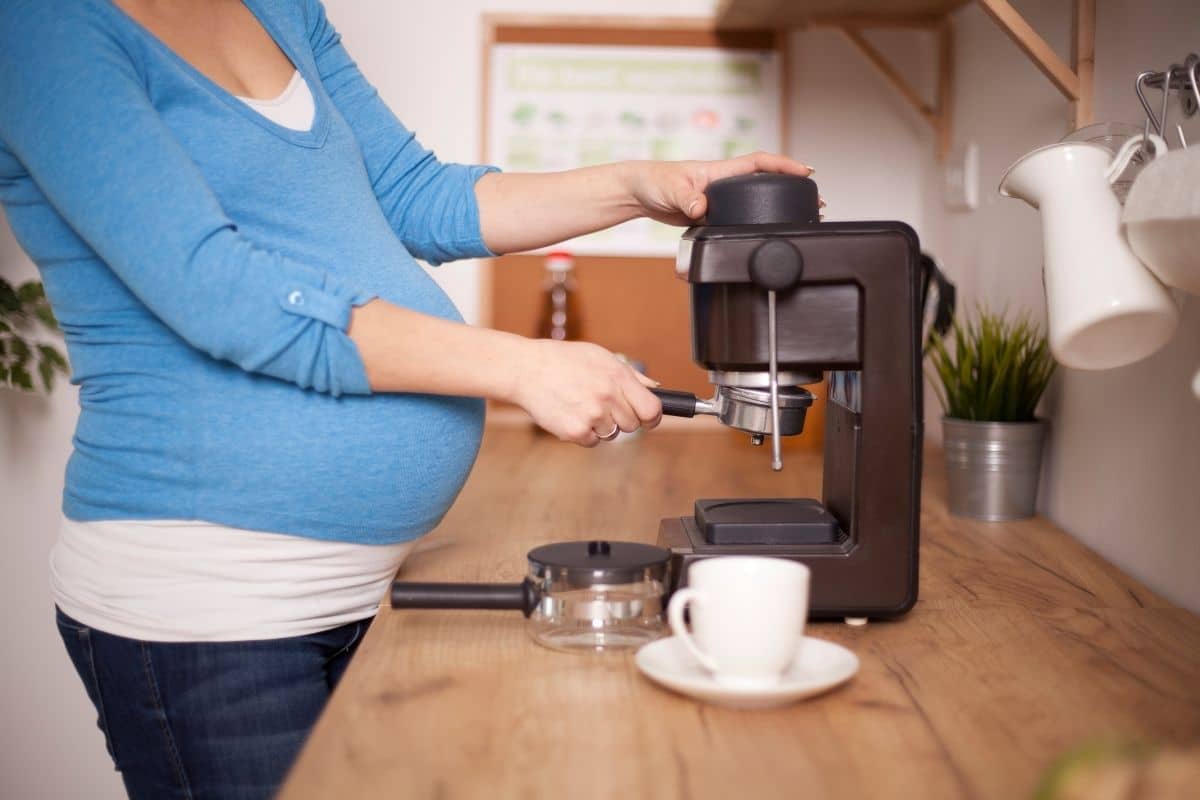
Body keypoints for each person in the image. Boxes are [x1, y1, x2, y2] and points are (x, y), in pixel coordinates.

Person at [0, 1, 812, 797]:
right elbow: (217, 291)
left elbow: (410, 193)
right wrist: (522, 369)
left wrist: (643, 185)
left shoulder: (280, 8)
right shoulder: (45, 26)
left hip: (364, 591)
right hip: (208, 609)